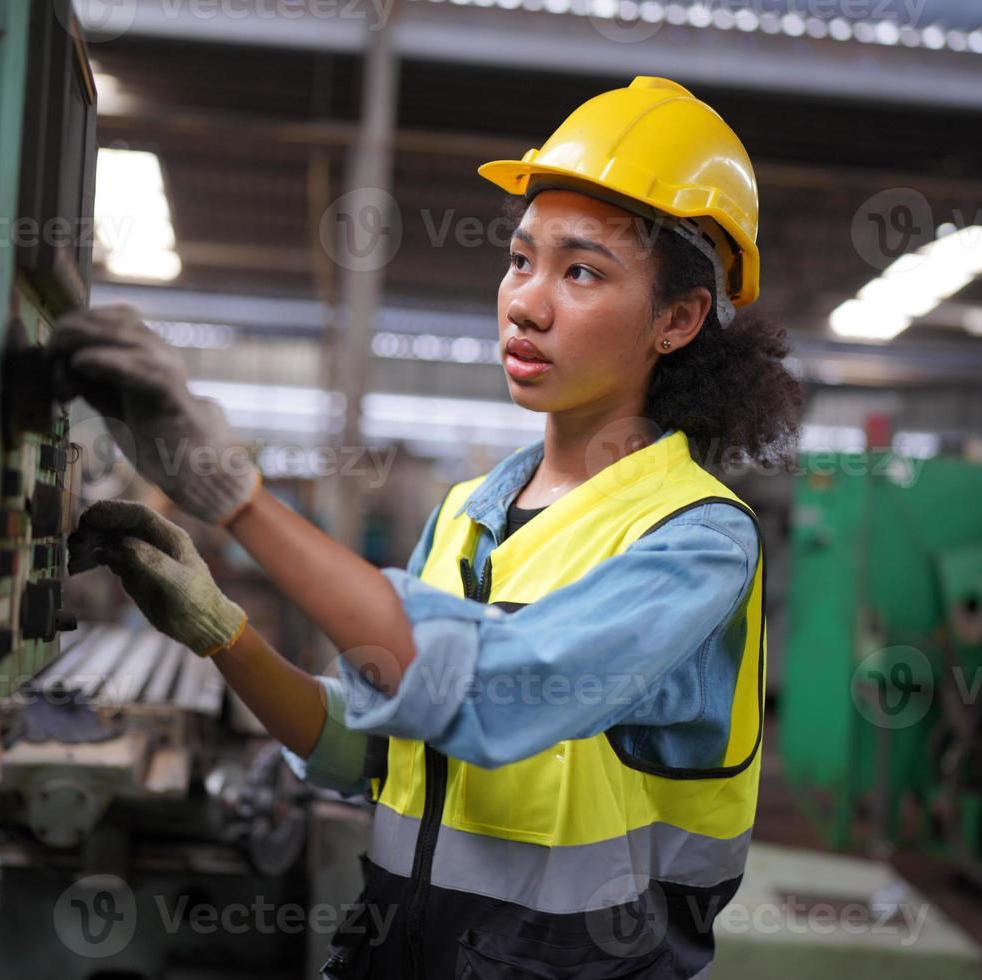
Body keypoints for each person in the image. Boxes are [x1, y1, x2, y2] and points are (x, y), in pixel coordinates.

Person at [53, 76, 801, 979]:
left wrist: (239, 500)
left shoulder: (696, 541)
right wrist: (222, 631)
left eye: (582, 271)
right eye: (521, 260)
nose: (527, 303)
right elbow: (362, 745)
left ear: (677, 320)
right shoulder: (464, 515)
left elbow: (489, 691)